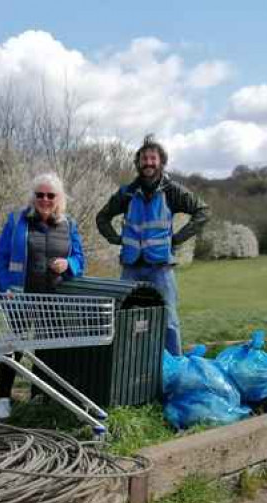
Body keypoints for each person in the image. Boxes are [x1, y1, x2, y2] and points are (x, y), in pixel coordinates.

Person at [96, 134, 210, 355]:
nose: (148, 163)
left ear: (161, 162)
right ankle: (123, 367)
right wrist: (115, 238)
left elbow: (203, 212)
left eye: (153, 158)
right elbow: (102, 218)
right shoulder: (127, 193)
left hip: (160, 268)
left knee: (168, 322)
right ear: (138, 163)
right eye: (144, 159)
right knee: (122, 318)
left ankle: (175, 371)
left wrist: (177, 238)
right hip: (131, 267)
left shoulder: (172, 191)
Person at [0, 172, 86, 419]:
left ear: (59, 198)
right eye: (39, 194)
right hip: (20, 298)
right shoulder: (16, 221)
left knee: (49, 349)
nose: (44, 199)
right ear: (32, 197)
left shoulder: (70, 225)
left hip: (53, 300)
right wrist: (3, 289)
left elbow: (79, 259)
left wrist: (69, 265)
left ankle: (41, 396)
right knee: (13, 349)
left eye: (50, 195)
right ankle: (2, 397)